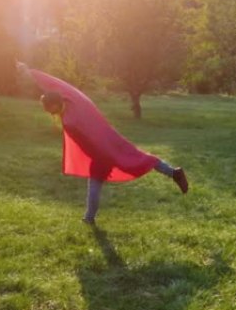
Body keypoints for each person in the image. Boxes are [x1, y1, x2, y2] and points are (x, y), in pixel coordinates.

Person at [19, 63, 188, 225]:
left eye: (47, 107)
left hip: (105, 150)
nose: (46, 111)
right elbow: (55, 85)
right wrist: (31, 72)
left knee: (139, 161)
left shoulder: (70, 121)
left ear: (55, 105)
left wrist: (105, 157)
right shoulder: (71, 99)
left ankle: (174, 173)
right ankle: (89, 217)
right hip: (108, 141)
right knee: (119, 169)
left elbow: (89, 143)